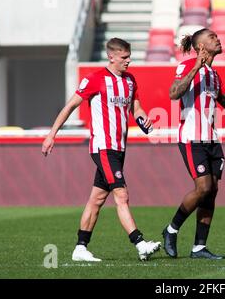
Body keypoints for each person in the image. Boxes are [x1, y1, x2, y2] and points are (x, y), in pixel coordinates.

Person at [41, 38, 161, 262]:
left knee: (96, 200)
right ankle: (140, 243)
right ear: (112, 57)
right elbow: (70, 106)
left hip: (119, 148)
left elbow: (136, 107)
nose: (128, 61)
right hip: (102, 147)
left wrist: (145, 120)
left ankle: (80, 248)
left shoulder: (130, 80)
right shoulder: (95, 79)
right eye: (124, 57)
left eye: (129, 56)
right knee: (121, 194)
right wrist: (51, 134)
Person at [163, 28, 225, 260]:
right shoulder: (187, 65)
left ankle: (199, 247)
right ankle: (171, 230)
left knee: (212, 192)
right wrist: (196, 68)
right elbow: (173, 93)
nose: (217, 39)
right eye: (212, 37)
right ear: (200, 46)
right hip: (192, 138)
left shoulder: (214, 74)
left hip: (211, 139)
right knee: (203, 188)